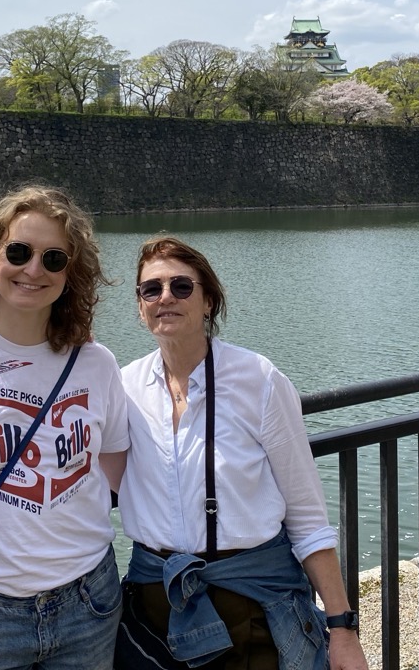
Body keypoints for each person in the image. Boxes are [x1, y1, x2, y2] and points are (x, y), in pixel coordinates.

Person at [117, 236, 369, 670]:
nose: (165, 298)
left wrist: (342, 629)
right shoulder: (123, 388)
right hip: (156, 606)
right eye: (151, 289)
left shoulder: (258, 380)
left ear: (209, 301)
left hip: (249, 605)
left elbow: (307, 517)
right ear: (140, 307)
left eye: (182, 286)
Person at [0, 185, 129, 670]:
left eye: (53, 259)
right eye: (19, 252)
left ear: (70, 275)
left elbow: (117, 469)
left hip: (88, 602)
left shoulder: (96, 364)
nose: (33, 270)